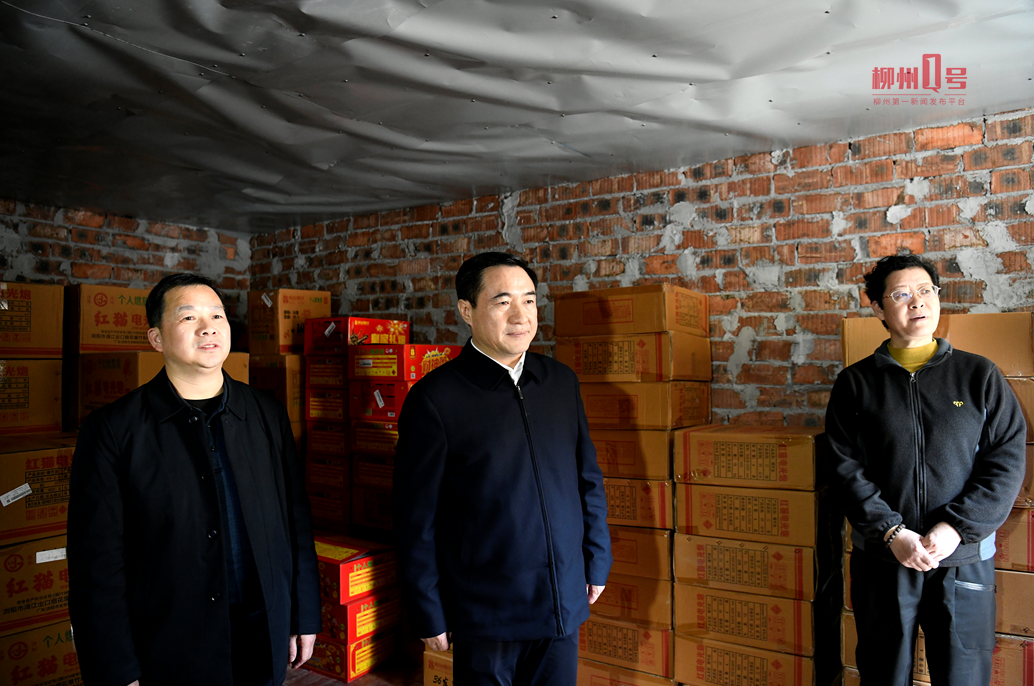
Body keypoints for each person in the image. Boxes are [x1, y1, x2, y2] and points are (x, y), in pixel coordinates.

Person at [67, 273, 322, 686]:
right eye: (188, 317)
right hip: (170, 641)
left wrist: (303, 614)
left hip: (263, 626)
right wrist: (115, 669)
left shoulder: (266, 413)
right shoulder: (113, 429)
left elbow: (296, 522)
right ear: (156, 338)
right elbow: (96, 561)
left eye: (217, 316)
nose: (208, 327)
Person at [393, 252, 612, 686]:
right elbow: (415, 519)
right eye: (503, 301)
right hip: (486, 613)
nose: (520, 316)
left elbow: (587, 478)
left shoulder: (560, 382)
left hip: (560, 600)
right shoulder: (435, 399)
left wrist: (596, 559)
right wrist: (427, 609)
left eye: (529, 300)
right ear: (466, 310)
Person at [825, 254, 1026, 685]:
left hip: (962, 558)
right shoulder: (855, 384)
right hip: (883, 557)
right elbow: (843, 468)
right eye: (900, 294)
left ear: (937, 297)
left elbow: (1006, 460)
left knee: (963, 676)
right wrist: (891, 532)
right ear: (878, 308)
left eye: (924, 290)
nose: (916, 302)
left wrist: (956, 528)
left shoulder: (979, 375)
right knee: (883, 674)